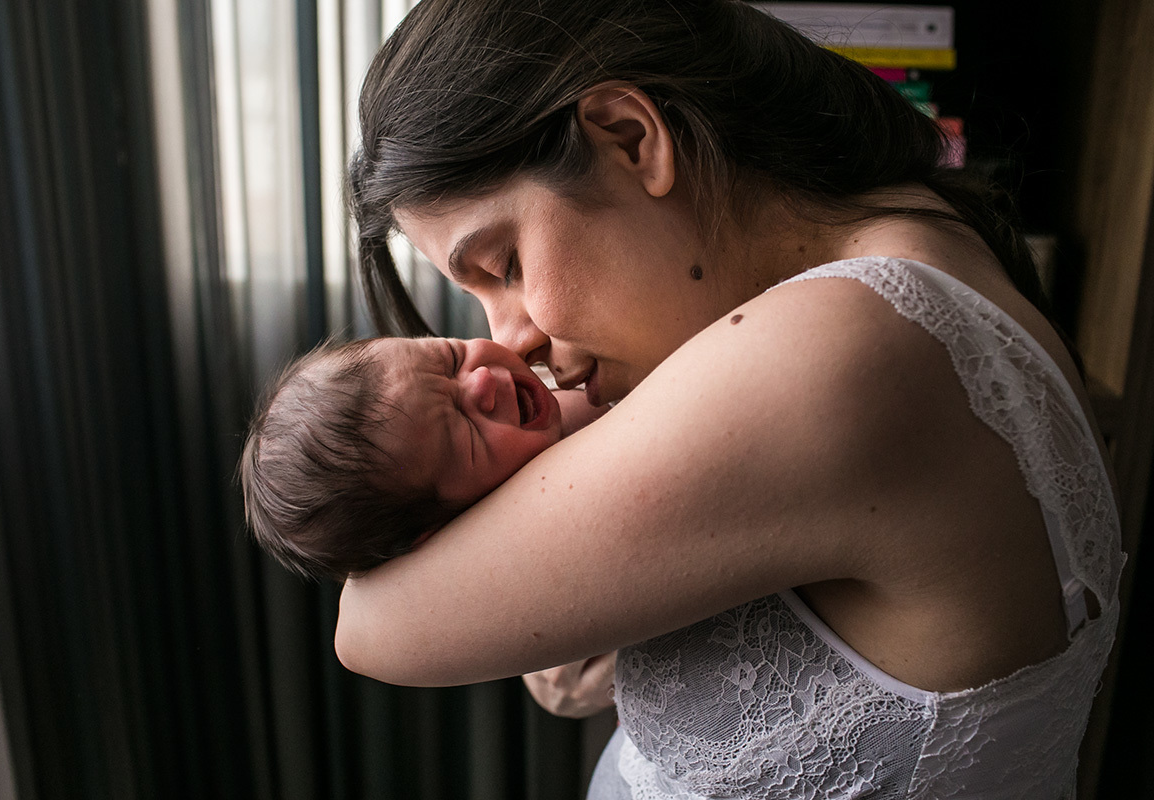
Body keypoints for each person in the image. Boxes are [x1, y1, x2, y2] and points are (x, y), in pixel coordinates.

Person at [336, 0, 1125, 797]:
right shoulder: (917, 239)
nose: (510, 340)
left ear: (631, 138)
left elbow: (370, 625)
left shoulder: (837, 349)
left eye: (503, 264)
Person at [239, 335, 604, 581]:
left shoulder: (546, 357)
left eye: (450, 357)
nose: (481, 382)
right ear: (445, 531)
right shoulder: (557, 534)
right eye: (464, 433)